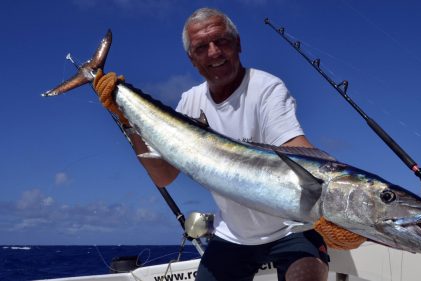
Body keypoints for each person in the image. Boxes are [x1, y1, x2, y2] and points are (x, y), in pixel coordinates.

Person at [93, 7, 364, 281]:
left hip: (292, 230)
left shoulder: (266, 88)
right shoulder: (190, 103)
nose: (214, 52)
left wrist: (338, 209)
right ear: (192, 59)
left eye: (221, 41)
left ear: (238, 44)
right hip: (233, 236)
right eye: (202, 47)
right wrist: (128, 119)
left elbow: (299, 150)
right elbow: (163, 176)